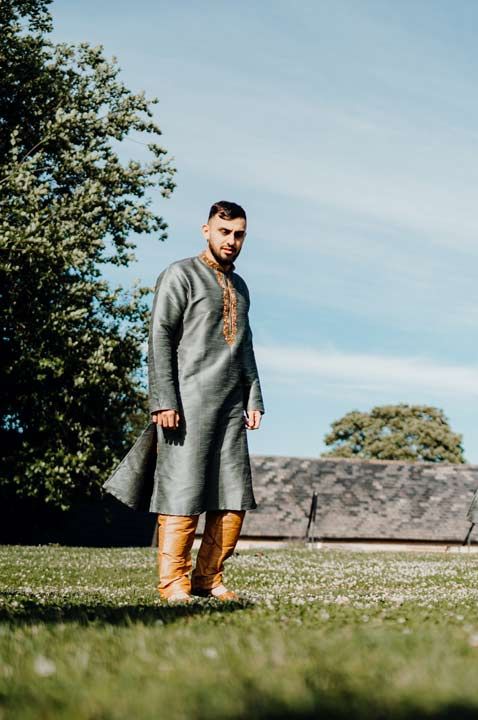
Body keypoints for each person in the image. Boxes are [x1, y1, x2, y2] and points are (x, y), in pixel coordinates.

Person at [149, 200, 264, 604]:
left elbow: (244, 345)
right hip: (186, 403)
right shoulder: (180, 274)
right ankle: (173, 584)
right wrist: (164, 398)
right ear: (206, 230)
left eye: (238, 235)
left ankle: (207, 579)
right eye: (224, 232)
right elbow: (161, 335)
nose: (231, 241)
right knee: (182, 492)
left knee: (233, 497)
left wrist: (254, 396)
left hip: (231, 406)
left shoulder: (241, 287)